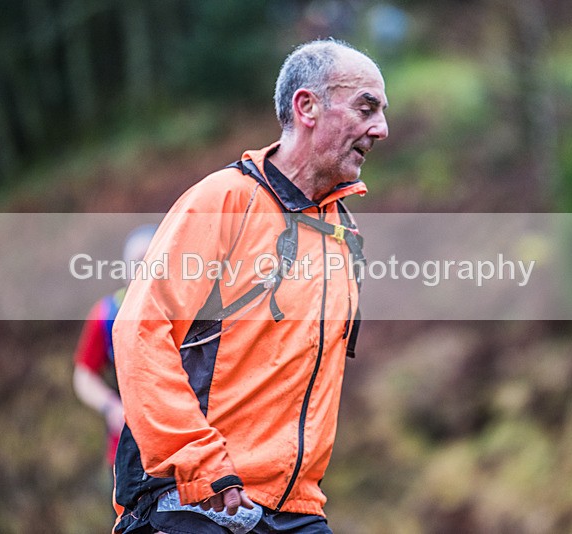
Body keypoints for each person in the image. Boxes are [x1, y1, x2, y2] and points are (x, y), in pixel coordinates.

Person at [112, 39, 389, 534]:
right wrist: (200, 465)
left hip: (297, 510)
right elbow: (139, 330)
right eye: (366, 108)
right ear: (307, 107)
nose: (381, 129)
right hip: (194, 500)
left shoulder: (344, 236)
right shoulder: (224, 200)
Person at [73, 224, 157, 467]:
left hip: (185, 449)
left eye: (151, 261)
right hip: (127, 451)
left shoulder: (186, 309)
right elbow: (84, 375)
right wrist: (110, 407)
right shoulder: (107, 314)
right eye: (138, 263)